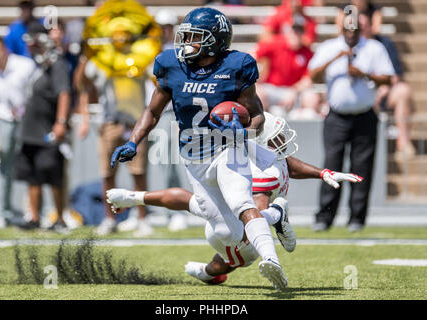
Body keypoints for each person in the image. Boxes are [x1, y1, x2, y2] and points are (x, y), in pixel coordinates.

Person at [111, 7, 299, 291]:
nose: (186, 42)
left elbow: (257, 116)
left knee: (240, 202)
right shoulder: (171, 65)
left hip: (227, 148)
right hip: (193, 157)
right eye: (186, 36)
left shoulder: (236, 66)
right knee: (226, 232)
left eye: (194, 37)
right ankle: (275, 215)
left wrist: (243, 132)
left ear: (214, 40)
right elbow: (151, 112)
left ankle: (272, 261)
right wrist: (132, 142)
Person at [107, 112, 362, 284]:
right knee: (236, 255)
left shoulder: (265, 157)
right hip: (232, 227)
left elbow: (289, 164)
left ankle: (134, 197)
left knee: (194, 204)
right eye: (277, 139)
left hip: (225, 208)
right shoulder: (264, 170)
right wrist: (274, 216)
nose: (283, 141)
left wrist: (322, 172)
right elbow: (255, 219)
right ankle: (212, 270)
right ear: (261, 143)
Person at [77, 0, 161, 236]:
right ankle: (109, 218)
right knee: (107, 173)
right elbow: (83, 85)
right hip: (109, 122)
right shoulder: (102, 60)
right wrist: (86, 55)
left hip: (135, 123)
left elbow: (155, 80)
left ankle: (142, 218)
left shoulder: (140, 57)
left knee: (138, 173)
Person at [309, 21, 394, 232]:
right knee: (331, 165)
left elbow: (387, 78)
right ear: (341, 30)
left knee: (362, 167)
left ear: (360, 30)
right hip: (336, 117)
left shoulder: (374, 48)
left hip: (365, 115)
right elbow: (313, 76)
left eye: (354, 31)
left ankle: (356, 218)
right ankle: (325, 216)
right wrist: (335, 58)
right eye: (347, 31)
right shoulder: (330, 47)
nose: (351, 35)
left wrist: (364, 74)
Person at [14, 26, 72, 232]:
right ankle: (34, 217)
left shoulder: (56, 64)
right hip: (30, 131)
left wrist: (61, 122)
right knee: (33, 177)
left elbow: (64, 93)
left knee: (53, 175)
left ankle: (60, 218)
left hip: (47, 130)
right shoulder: (34, 66)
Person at [139, 9, 192, 232]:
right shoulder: (144, 51)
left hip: (168, 112)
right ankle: (143, 212)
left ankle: (175, 211)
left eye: (168, 27)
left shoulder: (178, 53)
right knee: (140, 165)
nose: (164, 31)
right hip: (143, 111)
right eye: (161, 27)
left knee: (167, 161)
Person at [0, 37, 36, 230]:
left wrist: (25, 110)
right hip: (6, 123)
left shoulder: (25, 66)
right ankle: (1, 214)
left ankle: (33, 213)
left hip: (30, 121)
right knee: (3, 169)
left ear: (4, 49)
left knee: (33, 166)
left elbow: (37, 94)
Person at [358, 12, 416, 160]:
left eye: (365, 25)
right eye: (359, 26)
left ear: (371, 26)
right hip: (357, 95)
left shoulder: (384, 44)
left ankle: (403, 144)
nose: (362, 29)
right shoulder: (348, 45)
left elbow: (394, 76)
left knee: (403, 91)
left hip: (381, 94)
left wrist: (383, 89)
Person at [254, 22, 321, 118]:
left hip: (295, 91)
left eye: (299, 32)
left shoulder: (307, 53)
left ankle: (306, 124)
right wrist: (255, 79)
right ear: (288, 33)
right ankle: (262, 125)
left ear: (303, 34)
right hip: (272, 89)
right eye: (294, 32)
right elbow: (253, 56)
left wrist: (294, 91)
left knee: (312, 98)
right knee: (257, 93)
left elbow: (308, 80)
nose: (296, 35)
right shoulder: (276, 43)